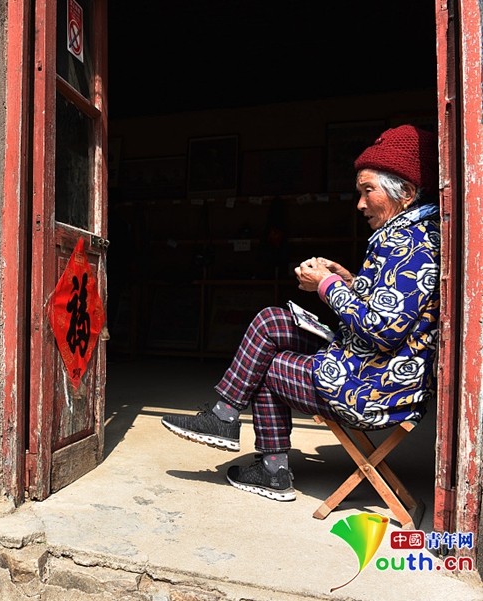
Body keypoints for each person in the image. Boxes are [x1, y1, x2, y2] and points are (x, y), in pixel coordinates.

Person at [162, 125, 441, 501]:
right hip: (363, 365)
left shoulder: (409, 244)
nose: (360, 204)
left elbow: (382, 330)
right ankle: (224, 415)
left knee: (265, 367)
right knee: (271, 320)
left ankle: (271, 469)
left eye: (368, 191)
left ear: (405, 193)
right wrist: (348, 279)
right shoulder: (410, 235)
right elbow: (390, 303)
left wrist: (328, 285)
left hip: (373, 389)